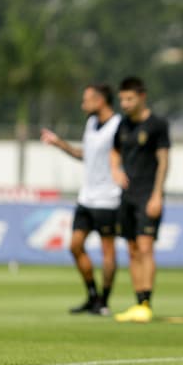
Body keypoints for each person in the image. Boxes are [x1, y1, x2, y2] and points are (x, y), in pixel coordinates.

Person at [40, 84, 121, 316]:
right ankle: (92, 296)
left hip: (109, 198)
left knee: (108, 252)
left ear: (101, 101)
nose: (82, 104)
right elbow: (85, 155)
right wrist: (59, 143)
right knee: (75, 246)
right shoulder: (91, 124)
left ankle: (104, 302)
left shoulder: (118, 126)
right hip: (86, 198)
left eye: (86, 100)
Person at [110, 76, 170, 323]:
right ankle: (137, 302)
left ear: (142, 97)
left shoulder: (157, 125)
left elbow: (164, 160)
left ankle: (146, 302)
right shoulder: (122, 125)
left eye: (129, 99)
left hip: (148, 194)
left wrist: (157, 194)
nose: (124, 103)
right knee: (132, 249)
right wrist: (115, 169)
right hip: (127, 196)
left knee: (146, 247)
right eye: (122, 99)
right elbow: (114, 151)